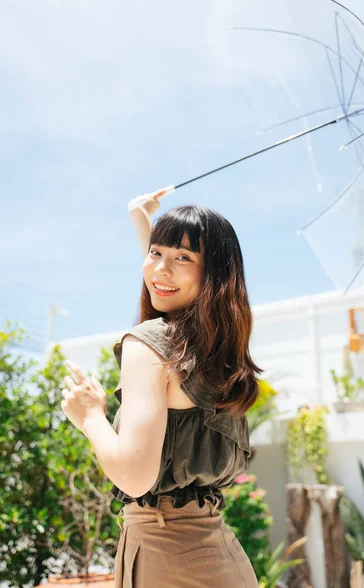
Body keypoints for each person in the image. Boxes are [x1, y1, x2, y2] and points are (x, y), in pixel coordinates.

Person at [62, 191, 263, 587]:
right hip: (218, 552)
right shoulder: (218, 353)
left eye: (183, 257)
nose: (160, 269)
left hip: (165, 553)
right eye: (154, 253)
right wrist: (142, 222)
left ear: (213, 274)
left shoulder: (149, 345)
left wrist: (90, 418)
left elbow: (135, 478)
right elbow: (171, 285)